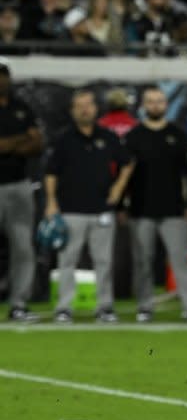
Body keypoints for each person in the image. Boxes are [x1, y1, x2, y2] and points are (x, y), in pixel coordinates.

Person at [45, 89, 133, 323]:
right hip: (71, 209)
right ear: (73, 110)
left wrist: (118, 188)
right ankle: (64, 307)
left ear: (95, 108)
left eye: (88, 104)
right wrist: (51, 202)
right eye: (79, 105)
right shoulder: (63, 139)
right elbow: (51, 172)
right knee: (67, 261)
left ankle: (105, 307)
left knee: (104, 261)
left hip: (102, 209)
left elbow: (127, 163)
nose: (85, 109)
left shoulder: (108, 136)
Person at [124, 86, 187, 323]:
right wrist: (122, 207)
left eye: (159, 101)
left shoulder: (178, 135)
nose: (155, 105)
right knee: (143, 261)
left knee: (180, 260)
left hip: (174, 210)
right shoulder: (133, 136)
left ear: (166, 105)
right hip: (140, 210)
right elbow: (124, 176)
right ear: (143, 106)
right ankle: (145, 306)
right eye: (150, 101)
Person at [0, 58, 43, 322]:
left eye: (4, 74)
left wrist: (8, 145)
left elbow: (37, 145)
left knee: (23, 247)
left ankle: (19, 304)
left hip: (19, 185)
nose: (2, 80)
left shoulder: (21, 108)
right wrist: (19, 142)